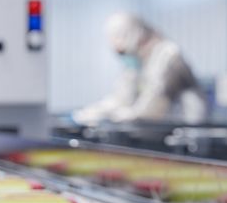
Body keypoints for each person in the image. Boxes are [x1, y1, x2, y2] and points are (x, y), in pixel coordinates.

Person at [74, 12, 207, 126]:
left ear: (135, 36)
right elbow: (122, 97)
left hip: (185, 132)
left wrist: (116, 116)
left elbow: (152, 109)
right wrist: (95, 112)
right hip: (155, 133)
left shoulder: (168, 56)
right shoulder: (136, 60)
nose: (122, 54)